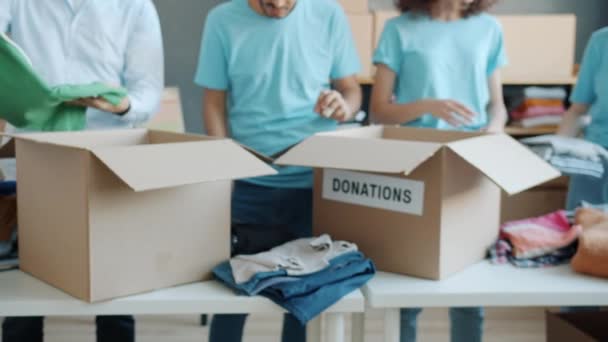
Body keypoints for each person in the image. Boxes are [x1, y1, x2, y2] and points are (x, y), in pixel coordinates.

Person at [194, 0, 362, 341]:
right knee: (233, 296)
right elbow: (214, 103)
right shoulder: (221, 21)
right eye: (269, 1)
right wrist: (222, 172)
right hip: (249, 183)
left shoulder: (328, 14)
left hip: (314, 183)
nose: (280, 7)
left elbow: (351, 90)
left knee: (303, 299)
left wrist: (344, 106)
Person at [0, 1, 164, 341]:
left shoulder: (135, 7)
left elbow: (147, 92)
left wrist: (122, 105)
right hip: (37, 158)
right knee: (25, 289)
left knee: (114, 293)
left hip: (108, 161)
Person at [370, 0, 508, 341]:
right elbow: (379, 112)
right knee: (409, 281)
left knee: (469, 283)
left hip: (471, 165)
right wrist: (430, 105)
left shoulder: (489, 29)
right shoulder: (398, 29)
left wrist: (493, 131)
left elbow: (498, 108)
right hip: (417, 163)